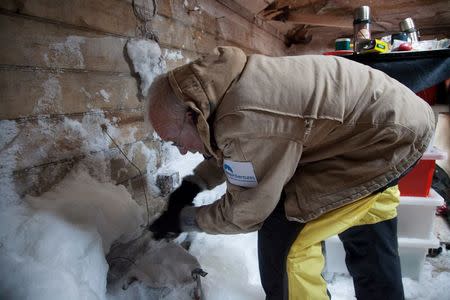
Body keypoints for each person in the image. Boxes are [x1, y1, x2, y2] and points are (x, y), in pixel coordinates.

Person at [147, 46, 435, 300]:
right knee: (368, 214)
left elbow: (246, 211)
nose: (181, 150)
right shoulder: (223, 88)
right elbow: (236, 145)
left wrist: (185, 219)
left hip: (384, 142)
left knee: (285, 235)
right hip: (388, 126)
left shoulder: (245, 117)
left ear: (191, 115)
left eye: (175, 140)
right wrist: (194, 185)